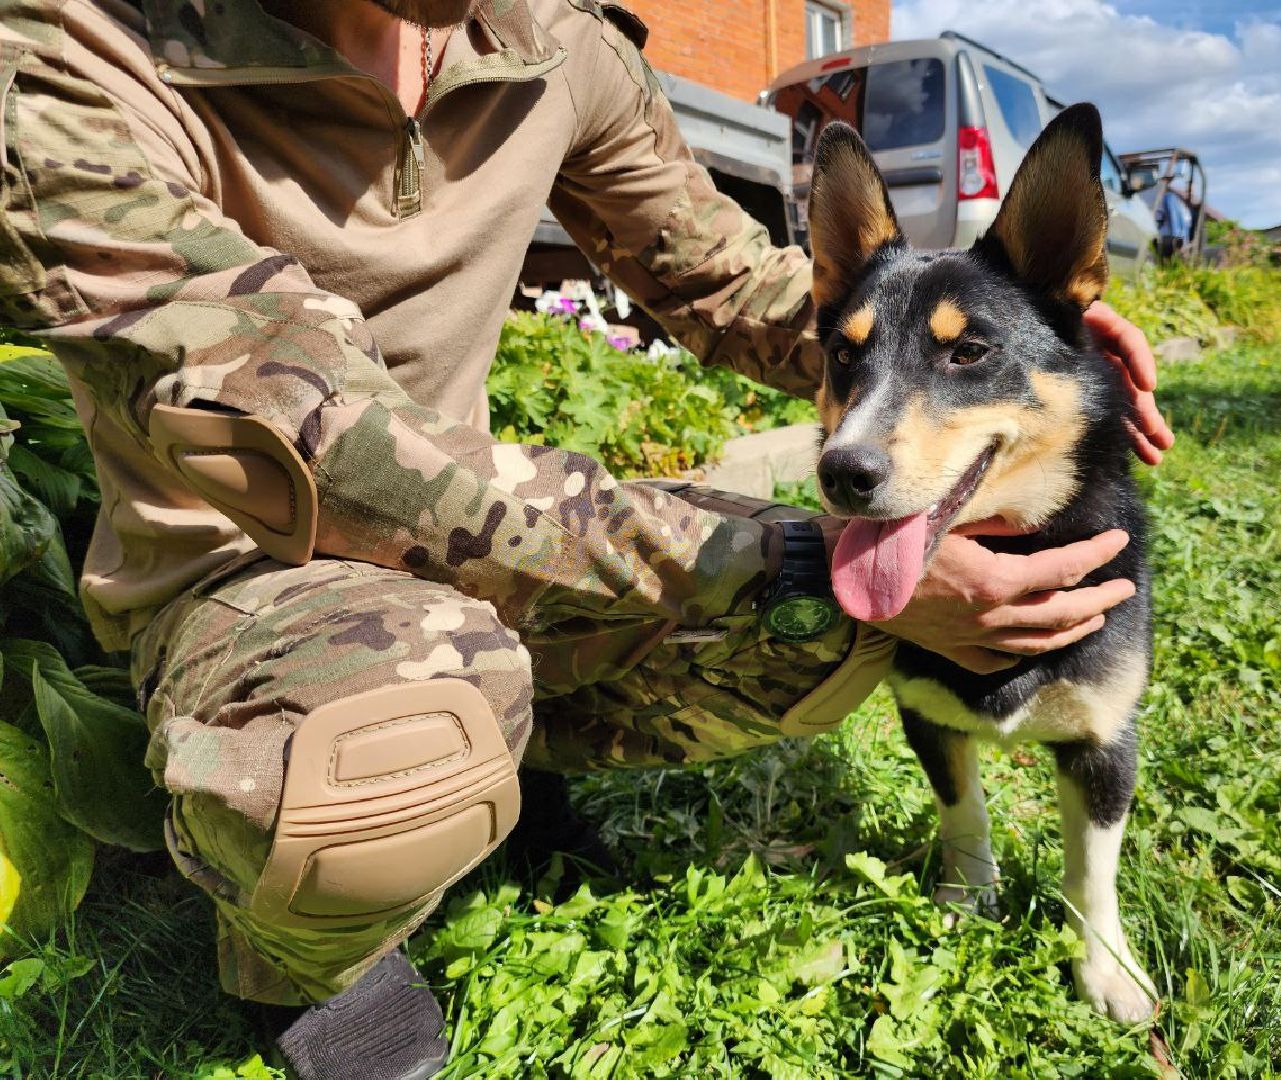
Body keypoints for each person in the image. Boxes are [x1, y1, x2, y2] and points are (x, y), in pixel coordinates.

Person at [0, 1, 1175, 1076]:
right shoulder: (71, 59)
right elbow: (323, 439)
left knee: (836, 615)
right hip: (254, 567)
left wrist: (979, 323)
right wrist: (782, 553)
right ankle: (312, 936)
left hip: (483, 553)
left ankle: (515, 755)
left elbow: (717, 275)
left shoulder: (546, 42)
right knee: (400, 749)